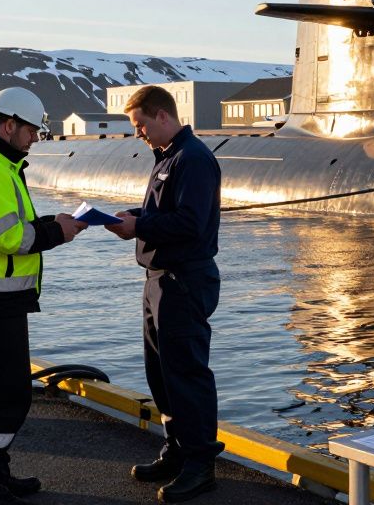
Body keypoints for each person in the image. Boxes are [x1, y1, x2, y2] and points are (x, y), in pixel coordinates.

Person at [0, 87, 88, 505]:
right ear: (9, 125)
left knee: (3, 393)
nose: (35, 139)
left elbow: (11, 225)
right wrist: (56, 232)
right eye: (31, 131)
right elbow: (4, 236)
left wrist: (50, 222)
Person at [104, 85, 224, 503]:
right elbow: (166, 214)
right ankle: (177, 449)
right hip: (159, 279)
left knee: (187, 373)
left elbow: (191, 223)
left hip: (184, 280)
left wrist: (139, 227)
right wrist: (135, 218)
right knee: (161, 373)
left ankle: (199, 465)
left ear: (161, 115)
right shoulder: (168, 159)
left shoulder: (192, 160)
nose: (138, 135)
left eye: (139, 126)